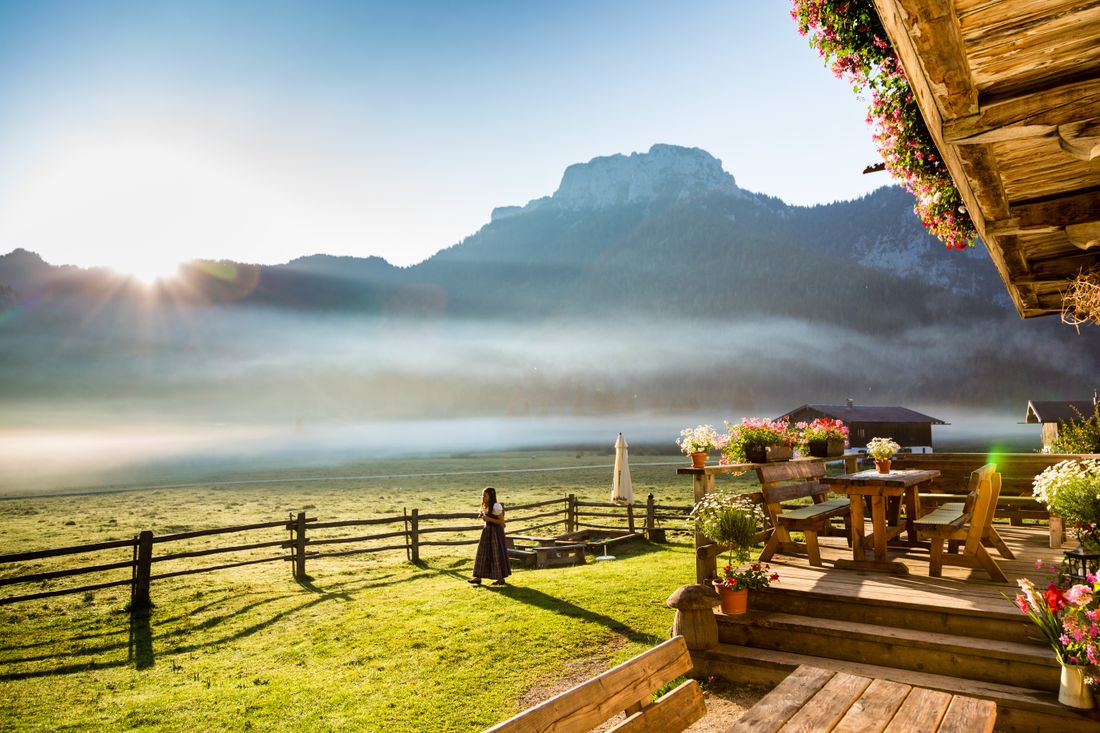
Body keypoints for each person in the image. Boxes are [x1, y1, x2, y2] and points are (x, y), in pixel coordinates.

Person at [469, 486, 511, 586]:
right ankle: (478, 577)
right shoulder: (486, 505)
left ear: (491, 496)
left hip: (495, 533)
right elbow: (487, 516)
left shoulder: (496, 506)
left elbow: (501, 521)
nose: (483, 498)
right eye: (482, 496)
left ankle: (500, 579)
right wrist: (483, 515)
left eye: (485, 496)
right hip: (487, 532)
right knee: (482, 553)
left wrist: (488, 519)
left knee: (496, 554)